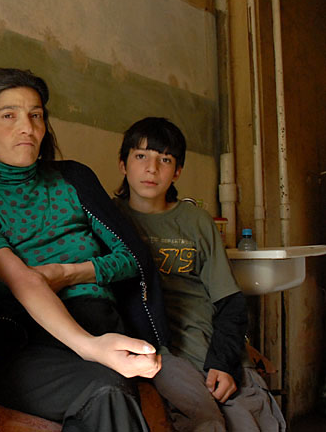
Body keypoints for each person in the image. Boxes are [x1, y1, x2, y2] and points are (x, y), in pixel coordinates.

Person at [0, 67, 171, 431]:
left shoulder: (73, 180)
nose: (27, 128)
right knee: (105, 392)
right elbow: (23, 281)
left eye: (36, 115)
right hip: (24, 342)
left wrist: (70, 273)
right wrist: (91, 347)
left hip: (98, 320)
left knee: (107, 391)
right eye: (9, 115)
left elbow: (132, 258)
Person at [114, 117, 286, 431]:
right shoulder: (110, 219)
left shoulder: (196, 222)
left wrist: (224, 362)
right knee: (206, 423)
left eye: (165, 160)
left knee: (251, 421)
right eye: (141, 156)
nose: (152, 168)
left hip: (210, 346)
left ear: (177, 171)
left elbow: (230, 303)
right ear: (123, 164)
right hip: (162, 353)